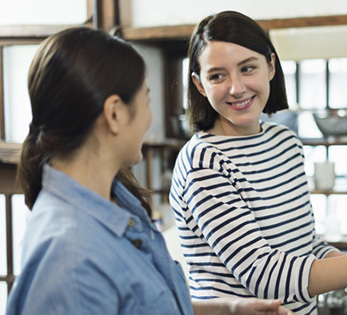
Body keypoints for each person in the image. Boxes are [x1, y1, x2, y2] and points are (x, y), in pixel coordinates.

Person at [169, 10, 347, 315]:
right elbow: (264, 275)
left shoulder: (285, 142)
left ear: (271, 66)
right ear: (200, 85)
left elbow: (306, 246)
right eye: (217, 76)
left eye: (248, 68)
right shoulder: (204, 161)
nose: (236, 88)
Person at [5, 26, 292, 315]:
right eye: (146, 100)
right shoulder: (70, 254)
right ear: (115, 114)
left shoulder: (115, 199)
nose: (149, 118)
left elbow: (141, 304)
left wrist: (230, 309)